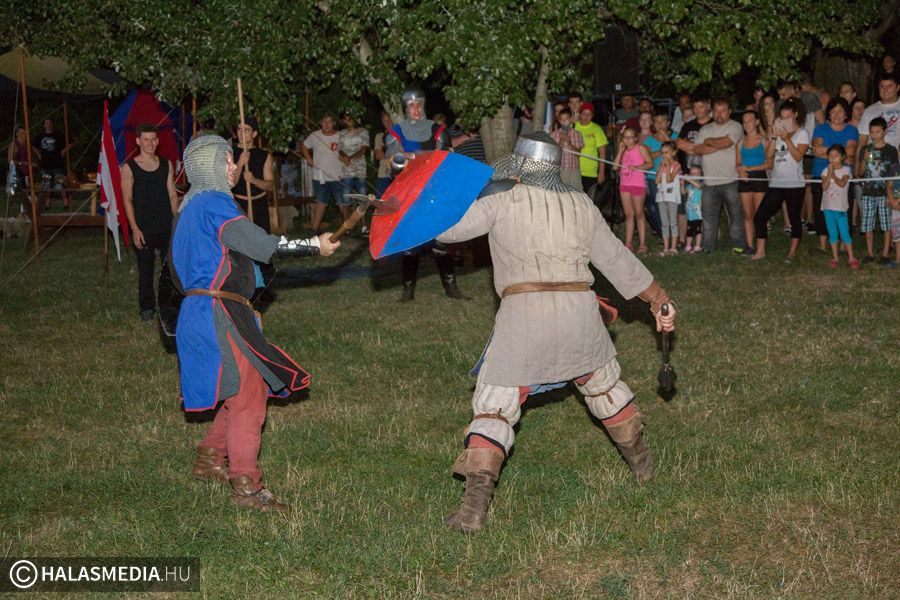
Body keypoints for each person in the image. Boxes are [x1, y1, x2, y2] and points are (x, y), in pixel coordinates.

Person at [435, 131, 676, 533]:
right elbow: (618, 262)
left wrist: (432, 199)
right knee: (604, 388)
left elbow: (447, 231)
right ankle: (644, 468)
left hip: (525, 318)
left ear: (521, 166)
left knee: (495, 406)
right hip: (580, 315)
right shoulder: (581, 204)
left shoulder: (502, 199)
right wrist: (658, 299)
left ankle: (472, 511)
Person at [172, 134, 340, 511]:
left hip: (200, 313)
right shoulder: (214, 203)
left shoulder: (189, 208)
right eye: (228, 160)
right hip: (219, 314)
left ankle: (211, 458)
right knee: (248, 398)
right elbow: (261, 243)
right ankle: (246, 487)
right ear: (209, 167)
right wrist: (314, 245)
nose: (235, 166)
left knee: (240, 389)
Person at [384, 87, 465, 302]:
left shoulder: (437, 130)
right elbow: (394, 164)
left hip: (432, 190)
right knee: (410, 245)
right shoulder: (396, 133)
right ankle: (408, 290)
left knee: (440, 241)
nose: (416, 109)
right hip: (409, 191)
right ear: (405, 108)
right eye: (411, 105)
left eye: (419, 104)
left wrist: (416, 156)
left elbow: (444, 159)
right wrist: (404, 159)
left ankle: (451, 289)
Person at [121, 124, 179, 321]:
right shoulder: (129, 167)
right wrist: (134, 228)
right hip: (143, 227)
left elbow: (172, 195)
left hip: (166, 224)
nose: (150, 143)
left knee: (169, 268)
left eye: (153, 139)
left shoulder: (166, 164)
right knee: (145, 269)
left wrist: (176, 222)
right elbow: (127, 200)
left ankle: (169, 305)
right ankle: (147, 308)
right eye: (146, 139)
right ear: (138, 141)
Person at [682, 99, 745, 253]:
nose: (719, 114)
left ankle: (738, 245)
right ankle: (707, 247)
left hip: (731, 179)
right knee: (708, 218)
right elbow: (698, 148)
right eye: (716, 111)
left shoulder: (736, 126)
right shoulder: (705, 129)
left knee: (735, 216)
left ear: (730, 111)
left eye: (723, 110)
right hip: (709, 181)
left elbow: (727, 142)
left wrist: (710, 142)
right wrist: (715, 144)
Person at [751, 99, 809, 262]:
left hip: (794, 184)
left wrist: (787, 139)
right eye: (782, 117)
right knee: (760, 216)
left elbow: (798, 156)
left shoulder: (802, 133)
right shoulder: (778, 133)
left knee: (794, 218)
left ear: (795, 115)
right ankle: (761, 250)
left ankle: (791, 252)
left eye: (788, 117)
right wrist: (775, 138)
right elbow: (768, 156)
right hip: (777, 183)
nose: (785, 120)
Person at [811, 98, 859, 252]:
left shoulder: (851, 130)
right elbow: (816, 150)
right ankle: (823, 243)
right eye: (833, 111)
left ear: (846, 114)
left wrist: (828, 154)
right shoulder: (820, 129)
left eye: (841, 111)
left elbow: (851, 151)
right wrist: (840, 156)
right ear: (828, 114)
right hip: (821, 174)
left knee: (844, 207)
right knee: (822, 208)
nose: (837, 114)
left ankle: (844, 242)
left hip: (844, 175)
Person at [856, 117, 897, 263]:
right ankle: (869, 253)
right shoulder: (866, 149)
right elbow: (860, 173)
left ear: (884, 131)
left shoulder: (891, 150)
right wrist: (864, 160)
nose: (874, 135)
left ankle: (885, 253)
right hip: (868, 192)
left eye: (878, 131)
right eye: (872, 132)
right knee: (867, 224)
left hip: (885, 193)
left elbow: (894, 174)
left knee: (886, 224)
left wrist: (891, 194)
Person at [301, 114, 345, 233]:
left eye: (329, 121)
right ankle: (314, 230)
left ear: (334, 123)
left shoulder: (340, 136)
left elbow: (346, 152)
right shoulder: (315, 135)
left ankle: (349, 227)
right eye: (324, 121)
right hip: (319, 176)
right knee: (321, 203)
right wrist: (309, 159)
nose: (326, 124)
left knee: (342, 203)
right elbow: (304, 146)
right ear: (320, 123)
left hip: (338, 176)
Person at [736, 110, 773, 251]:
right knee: (747, 214)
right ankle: (750, 245)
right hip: (745, 179)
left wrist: (752, 168)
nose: (747, 124)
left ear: (757, 122)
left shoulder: (764, 141)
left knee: (759, 214)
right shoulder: (740, 143)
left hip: (759, 177)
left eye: (750, 120)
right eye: (744, 121)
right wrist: (740, 169)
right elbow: (738, 162)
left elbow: (769, 163)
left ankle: (760, 244)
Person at [232, 117, 275, 233]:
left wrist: (254, 180)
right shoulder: (230, 152)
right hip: (238, 205)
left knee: (261, 244)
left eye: (246, 130)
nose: (241, 133)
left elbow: (270, 185)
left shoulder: (264, 155)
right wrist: (240, 164)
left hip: (259, 205)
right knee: (239, 245)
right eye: (239, 129)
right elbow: (230, 183)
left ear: (254, 133)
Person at [614, 126, 653, 253]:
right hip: (624, 184)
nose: (628, 140)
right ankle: (628, 243)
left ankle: (643, 244)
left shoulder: (640, 148)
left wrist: (637, 167)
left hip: (637, 184)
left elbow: (650, 163)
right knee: (628, 214)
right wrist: (620, 151)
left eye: (631, 137)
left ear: (635, 138)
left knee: (639, 213)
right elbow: (615, 167)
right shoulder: (623, 150)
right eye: (625, 137)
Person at [820, 144, 859, 268]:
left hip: (841, 207)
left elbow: (842, 183)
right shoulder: (825, 171)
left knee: (844, 232)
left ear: (842, 157)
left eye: (836, 156)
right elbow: (824, 187)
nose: (832, 158)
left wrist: (833, 175)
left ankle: (851, 257)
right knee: (832, 233)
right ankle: (835, 258)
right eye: (830, 156)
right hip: (828, 207)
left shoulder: (846, 170)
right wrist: (829, 173)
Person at [858, 74, 900, 159]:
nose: (885, 90)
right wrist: (857, 169)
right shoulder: (869, 111)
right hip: (873, 162)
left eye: (889, 86)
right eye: (882, 86)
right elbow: (861, 143)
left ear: (897, 87)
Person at [36, 117, 73, 208]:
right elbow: (33, 146)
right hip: (45, 165)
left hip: (57, 163)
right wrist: (38, 154)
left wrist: (64, 150)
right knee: (47, 184)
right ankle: (48, 202)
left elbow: (72, 142)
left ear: (52, 125)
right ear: (44, 126)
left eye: (50, 123)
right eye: (46, 123)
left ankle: (65, 201)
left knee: (60, 183)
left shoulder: (58, 135)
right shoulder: (40, 136)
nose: (48, 125)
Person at [574, 102, 609, 194]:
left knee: (589, 200)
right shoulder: (573, 126)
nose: (586, 117)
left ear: (592, 116)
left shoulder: (597, 129)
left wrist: (601, 172)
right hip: (573, 170)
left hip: (591, 171)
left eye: (589, 114)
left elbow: (602, 152)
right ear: (580, 114)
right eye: (584, 114)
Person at [337, 111, 370, 210]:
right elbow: (340, 149)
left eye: (350, 118)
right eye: (345, 119)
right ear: (343, 121)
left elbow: (364, 149)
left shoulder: (363, 131)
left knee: (362, 198)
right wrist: (344, 156)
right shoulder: (342, 133)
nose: (348, 121)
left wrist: (350, 158)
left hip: (360, 170)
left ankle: (363, 225)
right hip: (346, 171)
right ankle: (347, 224)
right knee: (346, 198)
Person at [655, 141, 681, 255]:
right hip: (661, 197)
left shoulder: (677, 165)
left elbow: (670, 180)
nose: (664, 155)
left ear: (673, 152)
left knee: (673, 222)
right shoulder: (661, 166)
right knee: (664, 223)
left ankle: (673, 247)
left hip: (672, 197)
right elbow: (656, 181)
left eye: (666, 152)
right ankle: (666, 247)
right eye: (662, 153)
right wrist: (661, 168)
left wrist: (669, 165)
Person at [549, 108, 584, 189]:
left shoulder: (577, 134)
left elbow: (579, 154)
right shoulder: (553, 135)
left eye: (567, 119)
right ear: (559, 120)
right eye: (562, 119)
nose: (564, 122)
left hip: (574, 170)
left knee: (577, 195)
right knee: (560, 195)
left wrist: (569, 143)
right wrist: (560, 142)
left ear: (571, 119)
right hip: (559, 171)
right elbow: (551, 155)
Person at [372, 110, 394, 198]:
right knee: (381, 200)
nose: (387, 123)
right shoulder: (380, 136)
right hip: (383, 173)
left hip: (399, 173)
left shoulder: (401, 135)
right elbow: (378, 155)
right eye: (385, 121)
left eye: (389, 120)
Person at [683, 166, 704, 253]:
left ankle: (697, 246)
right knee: (689, 229)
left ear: (701, 175)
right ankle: (688, 245)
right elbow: (683, 192)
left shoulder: (701, 185)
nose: (693, 175)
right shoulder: (689, 186)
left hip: (698, 213)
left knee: (698, 229)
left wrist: (688, 179)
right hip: (690, 213)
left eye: (696, 174)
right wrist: (682, 182)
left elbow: (698, 186)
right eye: (692, 174)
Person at [886, 161, 900, 267]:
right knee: (897, 234)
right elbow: (889, 185)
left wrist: (897, 201)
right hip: (896, 206)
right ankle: (898, 260)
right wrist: (891, 200)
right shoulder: (894, 167)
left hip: (897, 202)